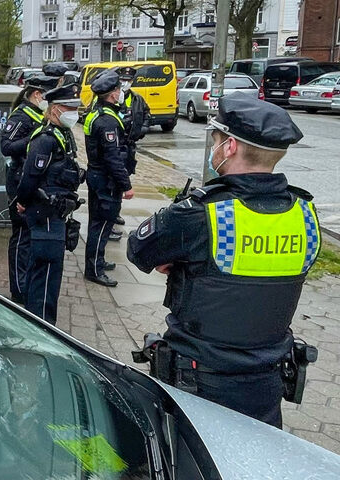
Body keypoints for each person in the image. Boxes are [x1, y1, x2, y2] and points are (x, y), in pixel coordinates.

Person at [127, 93, 319, 428]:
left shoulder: (203, 213)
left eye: (215, 140)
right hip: (266, 383)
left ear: (229, 147)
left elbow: (139, 250)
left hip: (200, 382)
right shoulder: (305, 214)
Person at [16, 84, 84, 324]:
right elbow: (29, 177)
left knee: (49, 272)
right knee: (45, 273)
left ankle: (41, 321)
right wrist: (22, 202)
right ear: (54, 109)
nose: (74, 112)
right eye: (69, 107)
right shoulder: (44, 140)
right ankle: (42, 326)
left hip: (56, 215)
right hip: (44, 214)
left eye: (76, 107)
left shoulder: (61, 135)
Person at [2, 75, 58, 303]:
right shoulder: (21, 116)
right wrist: (35, 140)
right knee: (22, 239)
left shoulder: (39, 115)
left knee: (30, 238)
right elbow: (6, 146)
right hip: (19, 182)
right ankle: (19, 290)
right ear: (37, 95)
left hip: (34, 183)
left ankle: (27, 284)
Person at [83, 70, 134, 287]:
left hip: (96, 176)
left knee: (98, 223)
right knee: (101, 225)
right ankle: (94, 269)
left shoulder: (97, 113)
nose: (121, 92)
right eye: (118, 89)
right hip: (105, 180)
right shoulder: (107, 122)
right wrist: (126, 185)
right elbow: (113, 158)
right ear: (112, 94)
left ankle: (98, 261)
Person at [115, 66, 150, 227]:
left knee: (125, 177)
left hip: (129, 146)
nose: (125, 83)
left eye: (128, 80)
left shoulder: (137, 99)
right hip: (115, 145)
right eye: (123, 80)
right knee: (115, 179)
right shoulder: (114, 98)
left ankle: (117, 210)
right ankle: (113, 212)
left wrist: (143, 128)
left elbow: (147, 114)